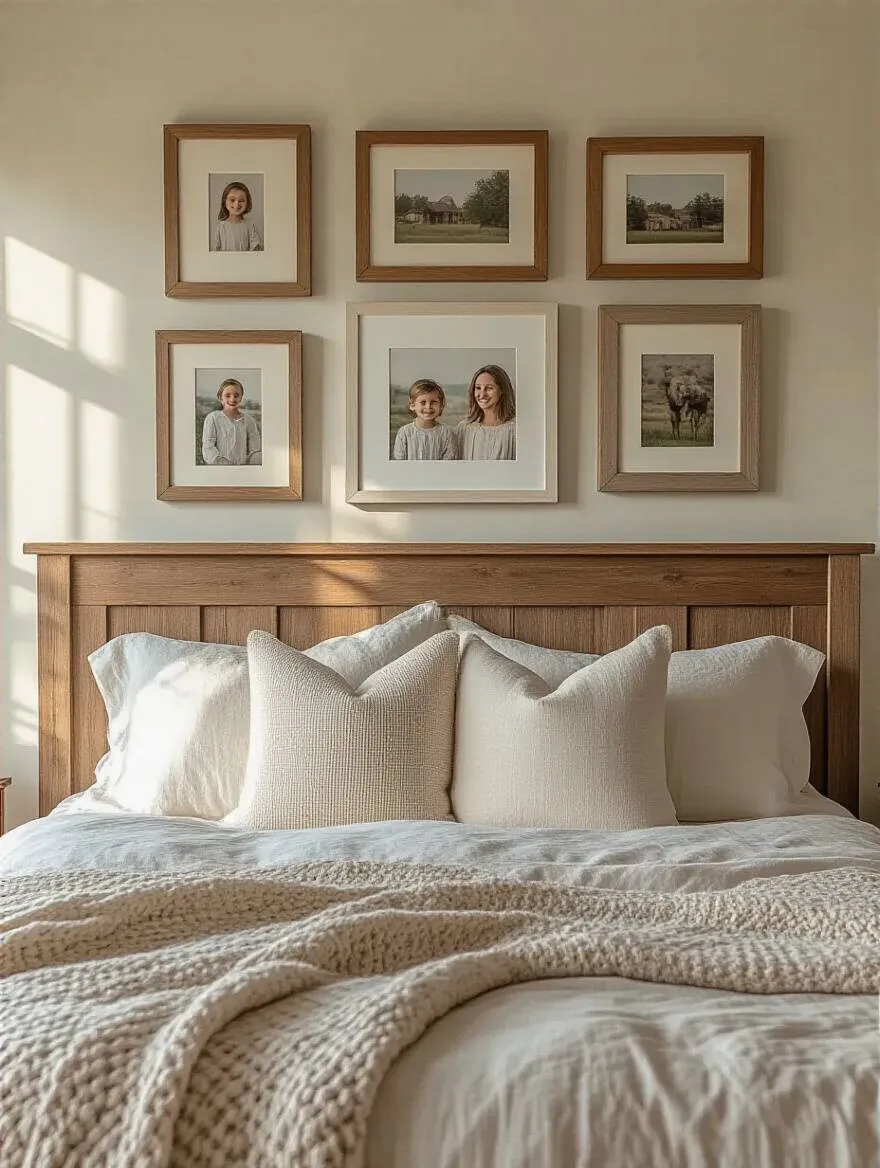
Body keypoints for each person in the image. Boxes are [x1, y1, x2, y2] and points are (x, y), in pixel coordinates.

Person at [456, 364, 516, 460]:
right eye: (478, 388)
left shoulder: (514, 430)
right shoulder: (464, 428)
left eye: (489, 388)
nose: (482, 395)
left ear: (502, 391)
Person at [392, 378, 458, 461]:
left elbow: (449, 462)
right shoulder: (404, 432)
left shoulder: (447, 433)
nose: (428, 406)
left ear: (441, 405)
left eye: (433, 402)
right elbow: (399, 462)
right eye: (423, 402)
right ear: (412, 405)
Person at [202, 378, 262, 465]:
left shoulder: (249, 421)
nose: (232, 399)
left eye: (236, 396)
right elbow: (208, 447)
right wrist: (224, 464)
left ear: (241, 398)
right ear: (220, 398)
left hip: (243, 470)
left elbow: (255, 449)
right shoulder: (213, 418)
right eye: (227, 395)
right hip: (218, 469)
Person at [211, 181, 263, 252]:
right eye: (232, 200)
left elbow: (256, 250)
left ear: (247, 202)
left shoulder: (250, 226)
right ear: (224, 201)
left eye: (241, 200)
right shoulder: (221, 227)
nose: (237, 204)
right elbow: (216, 251)